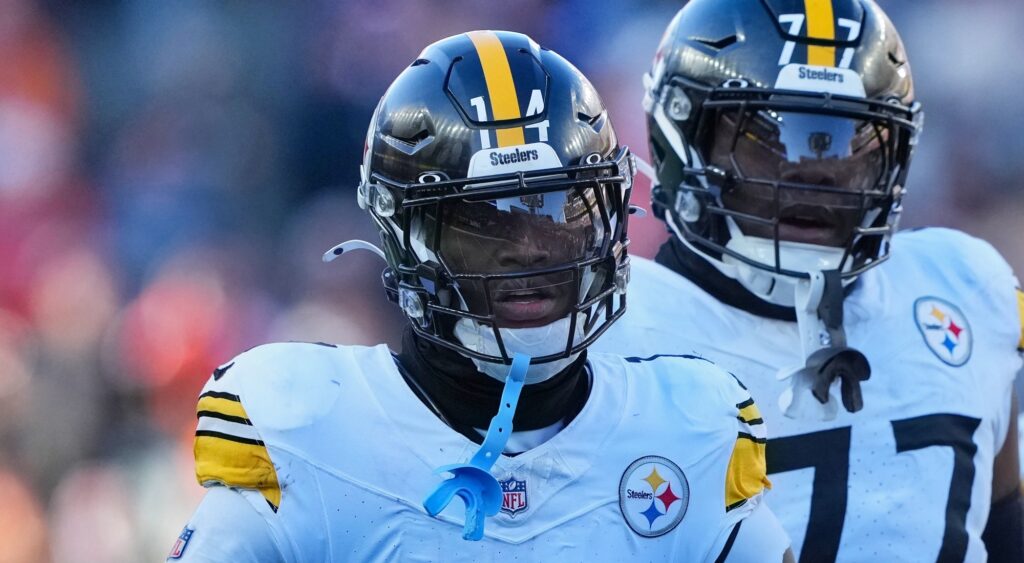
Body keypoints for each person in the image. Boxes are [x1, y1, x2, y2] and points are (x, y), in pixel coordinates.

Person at [168, 31, 794, 562]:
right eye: (483, 221)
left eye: (556, 209)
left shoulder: (687, 428)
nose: (529, 248)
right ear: (404, 238)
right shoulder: (311, 429)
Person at [595, 0, 1024, 561]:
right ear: (683, 135)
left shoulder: (966, 286)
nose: (815, 169)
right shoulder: (608, 338)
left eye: (851, 139)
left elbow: (1001, 513)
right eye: (765, 136)